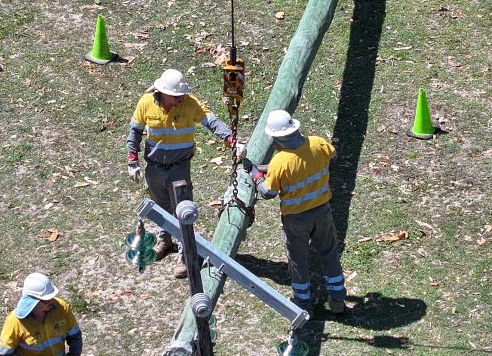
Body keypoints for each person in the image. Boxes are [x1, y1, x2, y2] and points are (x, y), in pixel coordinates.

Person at [127, 68, 235, 279]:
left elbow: (211, 122)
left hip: (179, 166)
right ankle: (165, 239)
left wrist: (231, 140)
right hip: (155, 167)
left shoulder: (190, 103)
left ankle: (186, 254)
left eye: (181, 94)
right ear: (162, 92)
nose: (179, 98)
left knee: (183, 209)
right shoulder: (146, 103)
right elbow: (135, 131)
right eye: (175, 95)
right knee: (161, 206)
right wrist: (132, 159)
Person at [248, 109, 347, 316]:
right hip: (322, 211)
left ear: (277, 138)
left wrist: (256, 175)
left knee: (298, 260)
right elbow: (332, 155)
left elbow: (268, 193)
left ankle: (302, 302)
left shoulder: (280, 162)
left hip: (296, 220)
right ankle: (337, 299)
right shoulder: (318, 142)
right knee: (329, 254)